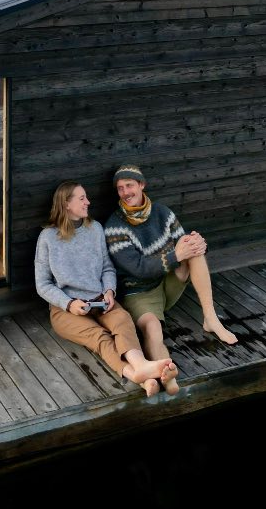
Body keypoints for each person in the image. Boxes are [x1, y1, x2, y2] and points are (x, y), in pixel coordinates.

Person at [34, 180, 178, 397]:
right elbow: (42, 284)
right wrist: (69, 303)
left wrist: (110, 291)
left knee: (122, 321)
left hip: (100, 299)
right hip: (64, 309)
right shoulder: (47, 238)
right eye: (82, 198)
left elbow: (107, 267)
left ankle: (141, 368)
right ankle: (138, 375)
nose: (88, 202)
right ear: (66, 204)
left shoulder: (95, 229)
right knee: (100, 337)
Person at [105, 164, 238, 396]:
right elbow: (138, 268)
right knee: (153, 329)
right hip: (139, 293)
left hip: (167, 282)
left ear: (142, 185)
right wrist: (178, 254)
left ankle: (210, 317)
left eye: (129, 185)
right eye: (120, 188)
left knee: (193, 250)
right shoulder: (114, 227)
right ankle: (167, 373)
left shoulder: (163, 213)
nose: (125, 192)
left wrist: (196, 244)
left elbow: (184, 245)